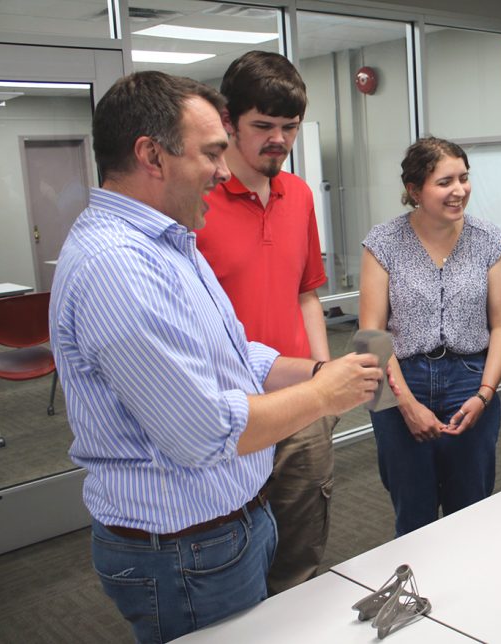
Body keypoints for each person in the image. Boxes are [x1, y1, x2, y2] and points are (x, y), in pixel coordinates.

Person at [49, 71, 384, 642]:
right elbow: (206, 432)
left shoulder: (170, 241)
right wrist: (323, 396)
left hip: (223, 530)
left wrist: (317, 370)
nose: (224, 171)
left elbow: (234, 355)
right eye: (210, 153)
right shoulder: (118, 267)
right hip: (186, 551)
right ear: (152, 155)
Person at [195, 51, 337, 595]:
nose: (278, 139)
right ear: (228, 122)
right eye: (263, 126)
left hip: (301, 402)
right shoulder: (197, 200)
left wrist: (322, 378)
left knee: (301, 554)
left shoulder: (297, 194)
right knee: (235, 558)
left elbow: (307, 293)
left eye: (290, 127)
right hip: (233, 409)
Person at [359, 137, 501, 537]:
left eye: (464, 178)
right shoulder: (384, 242)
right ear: (415, 191)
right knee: (413, 513)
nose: (459, 190)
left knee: (471, 508)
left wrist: (485, 394)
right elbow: (371, 335)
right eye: (445, 182)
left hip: (469, 378)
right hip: (397, 381)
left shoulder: (488, 240)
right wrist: (406, 405)